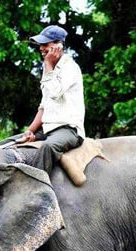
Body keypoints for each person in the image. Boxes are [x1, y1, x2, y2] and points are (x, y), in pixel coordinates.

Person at [21, 25, 85, 174]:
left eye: (45, 45)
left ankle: (35, 188)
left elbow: (56, 92)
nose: (41, 48)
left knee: (48, 147)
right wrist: (30, 130)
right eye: (40, 45)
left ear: (58, 46)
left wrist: (48, 64)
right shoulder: (49, 69)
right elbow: (44, 106)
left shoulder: (70, 68)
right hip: (48, 129)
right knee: (9, 144)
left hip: (69, 130)